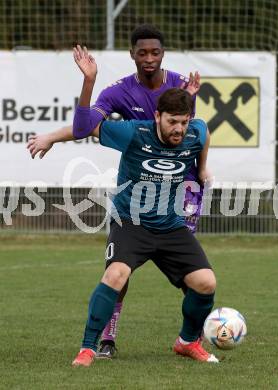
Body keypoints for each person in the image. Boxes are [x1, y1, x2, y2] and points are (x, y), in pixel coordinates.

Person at [27, 25, 205, 359]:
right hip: (136, 194)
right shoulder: (121, 91)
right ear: (132, 55)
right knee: (119, 269)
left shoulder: (181, 84)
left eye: (155, 52)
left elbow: (192, 133)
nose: (149, 59)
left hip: (178, 194)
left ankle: (191, 335)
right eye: (143, 53)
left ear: (163, 54)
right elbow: (86, 127)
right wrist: (57, 129)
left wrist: (201, 176)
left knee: (195, 279)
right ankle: (107, 334)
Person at [70, 44, 217, 367]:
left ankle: (187, 342)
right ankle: (88, 347)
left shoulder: (195, 131)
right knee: (115, 275)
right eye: (172, 122)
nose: (178, 129)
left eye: (183, 121)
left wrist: (202, 167)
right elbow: (82, 128)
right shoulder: (132, 133)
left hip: (170, 226)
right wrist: (89, 81)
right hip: (130, 223)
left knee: (206, 283)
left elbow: (204, 133)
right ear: (156, 117)